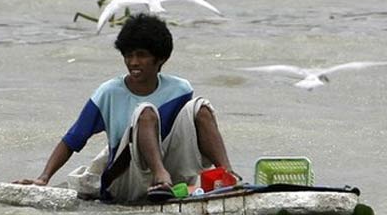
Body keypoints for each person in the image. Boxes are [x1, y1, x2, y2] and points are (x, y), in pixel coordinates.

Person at [14, 12, 236, 203]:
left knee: (201, 107)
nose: (133, 62)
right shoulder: (108, 93)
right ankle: (160, 177)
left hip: (170, 175)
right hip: (124, 181)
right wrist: (43, 178)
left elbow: (184, 137)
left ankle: (228, 176)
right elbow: (72, 139)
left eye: (141, 55)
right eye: (128, 56)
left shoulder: (180, 89)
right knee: (145, 112)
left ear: (160, 58)